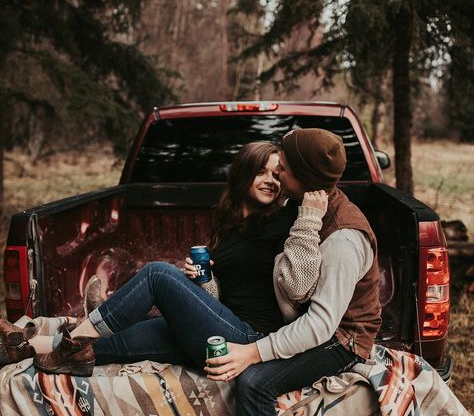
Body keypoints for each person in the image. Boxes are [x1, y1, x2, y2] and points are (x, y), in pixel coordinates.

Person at [177, 127, 382, 416]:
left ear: (303, 178)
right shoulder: (301, 205)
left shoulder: (345, 238)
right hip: (303, 324)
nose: (276, 172)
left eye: (283, 168)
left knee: (254, 384)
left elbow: (321, 326)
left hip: (342, 339)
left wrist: (255, 352)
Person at [0, 141, 324, 371]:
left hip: (251, 338)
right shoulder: (229, 225)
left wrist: (310, 214)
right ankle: (26, 349)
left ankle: (83, 328)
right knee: (118, 342)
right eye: (260, 172)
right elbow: (224, 293)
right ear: (242, 175)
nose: (270, 180)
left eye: (276, 175)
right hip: (219, 327)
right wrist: (204, 281)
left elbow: (300, 282)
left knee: (158, 274)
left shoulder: (286, 221)